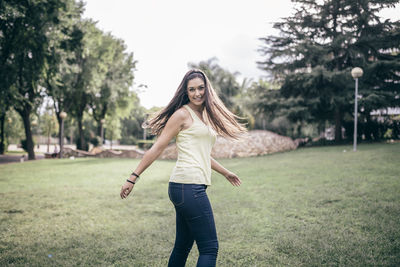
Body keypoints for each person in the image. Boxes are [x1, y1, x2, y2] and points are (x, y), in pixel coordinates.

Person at [120, 69, 247, 267]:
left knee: (182, 246)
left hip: (185, 187)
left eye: (201, 88)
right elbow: (157, 148)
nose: (197, 93)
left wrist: (225, 172)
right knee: (209, 248)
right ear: (186, 92)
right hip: (189, 187)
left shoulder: (203, 115)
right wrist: (132, 177)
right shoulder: (182, 115)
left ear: (207, 89)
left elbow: (202, 154)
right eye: (192, 89)